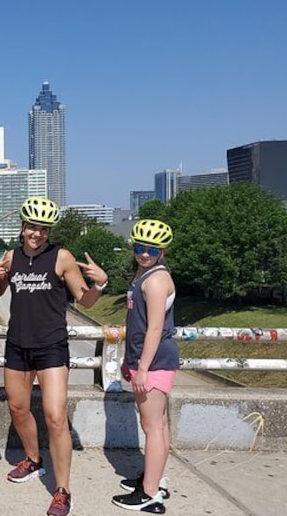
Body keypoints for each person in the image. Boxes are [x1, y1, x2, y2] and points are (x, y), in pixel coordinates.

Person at [0, 197, 109, 516]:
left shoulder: (61, 257)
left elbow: (85, 300)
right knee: (17, 407)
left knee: (55, 416)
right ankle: (33, 460)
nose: (37, 233)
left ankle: (62, 490)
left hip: (51, 346)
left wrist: (101, 283)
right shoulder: (11, 256)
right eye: (32, 226)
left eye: (43, 229)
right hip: (17, 343)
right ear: (23, 226)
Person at [112, 220, 178, 513]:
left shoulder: (154, 280)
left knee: (152, 427)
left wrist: (141, 368)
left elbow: (154, 329)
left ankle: (149, 493)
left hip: (153, 361)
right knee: (158, 425)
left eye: (152, 249)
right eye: (140, 248)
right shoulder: (146, 274)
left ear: (162, 251)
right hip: (150, 359)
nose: (144, 254)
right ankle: (154, 479)